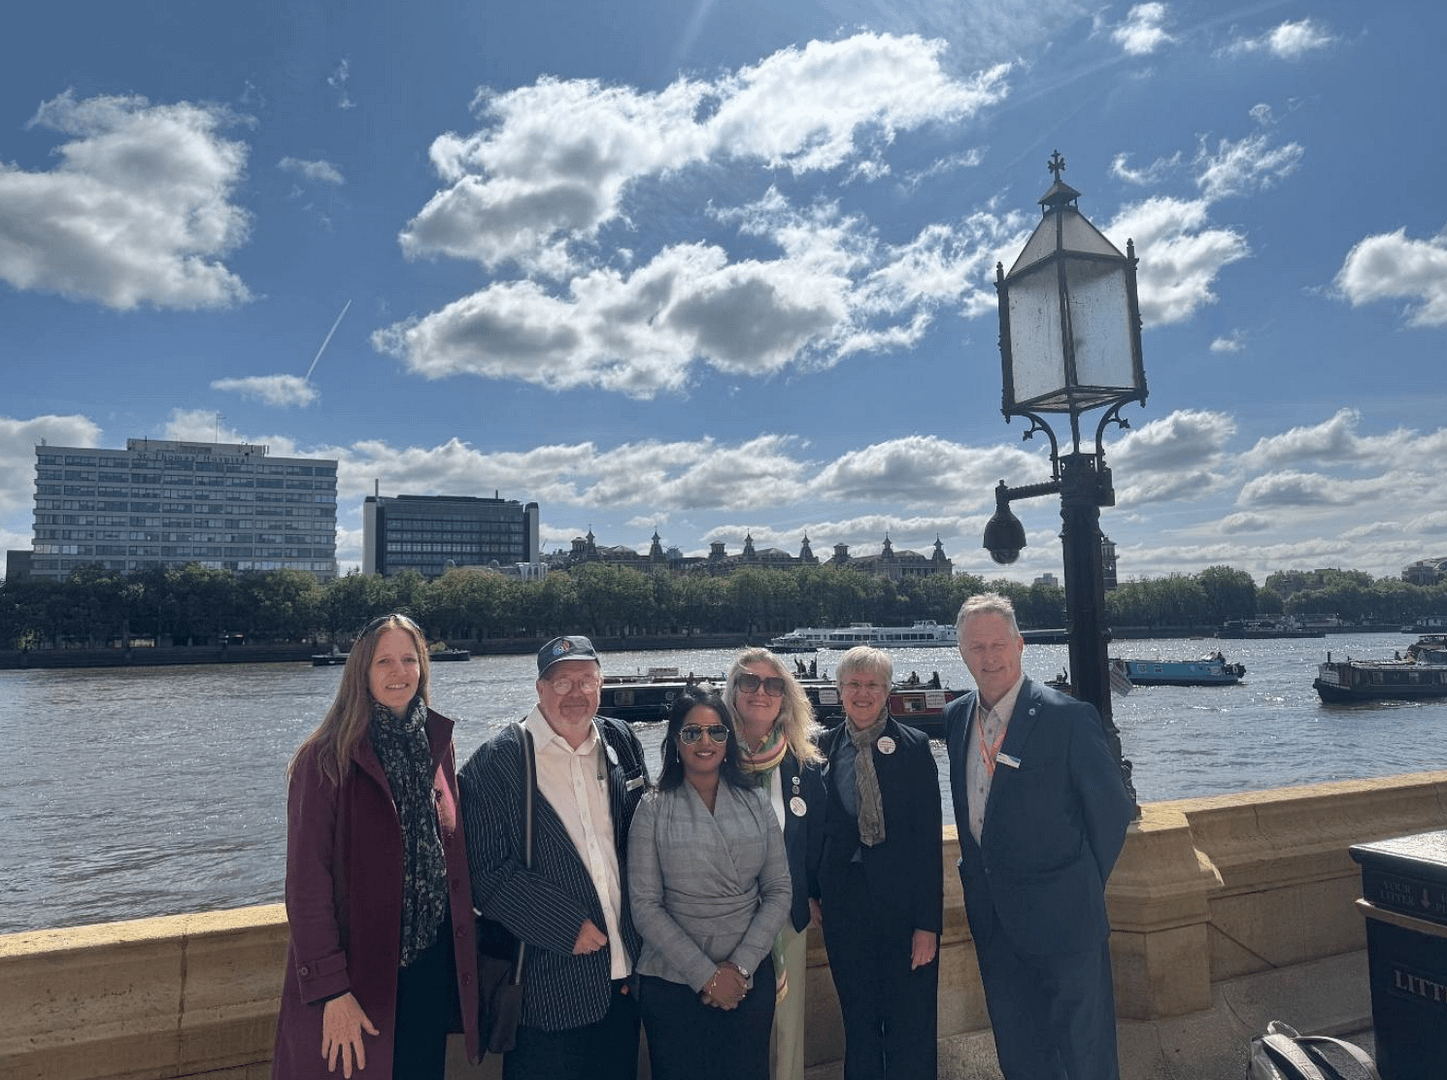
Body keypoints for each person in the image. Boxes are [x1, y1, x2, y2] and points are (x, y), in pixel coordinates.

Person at [272, 613, 479, 1080]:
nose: (398, 672)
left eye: (410, 659)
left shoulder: (438, 745)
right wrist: (331, 992)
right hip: (358, 980)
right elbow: (306, 887)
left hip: (429, 971)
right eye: (384, 660)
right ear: (361, 672)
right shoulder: (323, 759)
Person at [943, 593, 1134, 1080]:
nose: (989, 657)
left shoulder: (1067, 718)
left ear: (1021, 645)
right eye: (976, 647)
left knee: (1085, 1059)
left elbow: (1110, 817)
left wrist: (1072, 886)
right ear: (962, 653)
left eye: (998, 644)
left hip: (1067, 925)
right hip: (996, 926)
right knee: (1021, 1056)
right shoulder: (957, 716)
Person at [458, 635, 649, 1080]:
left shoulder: (620, 741)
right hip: (547, 991)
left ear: (601, 685)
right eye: (562, 682)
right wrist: (565, 926)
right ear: (540, 689)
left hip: (624, 983)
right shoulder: (497, 761)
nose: (576, 693)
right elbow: (484, 870)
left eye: (586, 680)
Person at [628, 687, 793, 1080]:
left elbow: (779, 890)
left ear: (728, 739)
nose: (706, 742)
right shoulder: (651, 809)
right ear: (675, 741)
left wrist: (738, 968)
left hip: (748, 981)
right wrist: (707, 975)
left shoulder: (755, 802)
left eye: (717, 732)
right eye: (692, 733)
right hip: (673, 984)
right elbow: (645, 906)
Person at [813, 645, 942, 1080]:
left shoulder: (914, 748)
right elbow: (813, 832)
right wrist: (812, 892)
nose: (862, 693)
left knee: (911, 1027)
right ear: (839, 690)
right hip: (845, 909)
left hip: (904, 911)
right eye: (853, 684)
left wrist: (928, 925)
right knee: (861, 1027)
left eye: (872, 685)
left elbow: (928, 841)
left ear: (888, 691)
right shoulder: (820, 750)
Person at [724, 648, 826, 1080]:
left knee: (788, 1031)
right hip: (724, 921)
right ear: (732, 692)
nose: (761, 692)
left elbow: (816, 840)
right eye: (749, 682)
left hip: (787, 917)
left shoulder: (803, 762)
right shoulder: (711, 755)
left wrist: (814, 894)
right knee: (734, 1032)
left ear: (786, 697)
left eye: (773, 684)